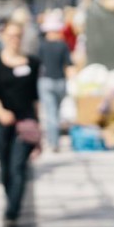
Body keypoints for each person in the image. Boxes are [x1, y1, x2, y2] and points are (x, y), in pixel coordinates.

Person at [0, 20, 40, 227]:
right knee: (5, 168)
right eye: (10, 35)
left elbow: (35, 97)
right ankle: (11, 200)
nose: (14, 39)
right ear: (3, 37)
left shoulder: (32, 63)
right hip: (1, 123)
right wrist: (1, 113)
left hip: (25, 122)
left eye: (18, 35)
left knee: (18, 167)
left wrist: (38, 125)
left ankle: (12, 212)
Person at [38, 10, 73, 151]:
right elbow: (69, 64)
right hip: (60, 81)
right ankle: (55, 140)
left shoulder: (42, 46)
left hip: (46, 81)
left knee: (51, 113)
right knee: (56, 112)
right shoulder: (63, 45)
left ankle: (54, 142)